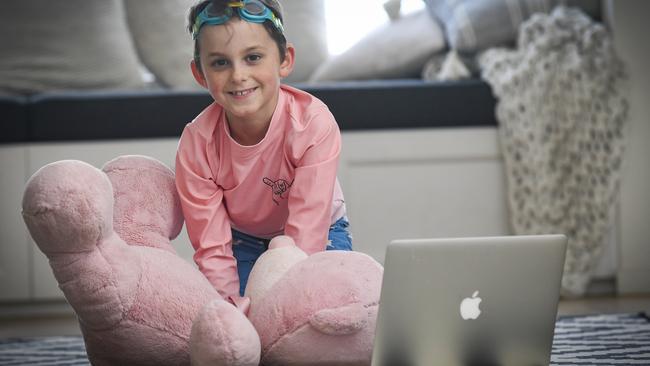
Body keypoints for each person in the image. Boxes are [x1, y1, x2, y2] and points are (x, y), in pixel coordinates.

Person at [175, 0, 352, 310]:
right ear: (200, 73)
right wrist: (229, 309)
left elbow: (308, 228)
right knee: (247, 313)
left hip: (321, 230)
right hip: (242, 239)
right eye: (219, 63)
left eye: (253, 57)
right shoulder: (197, 144)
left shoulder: (312, 124)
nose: (238, 75)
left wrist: (291, 302)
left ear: (285, 60)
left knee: (318, 310)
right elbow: (212, 247)